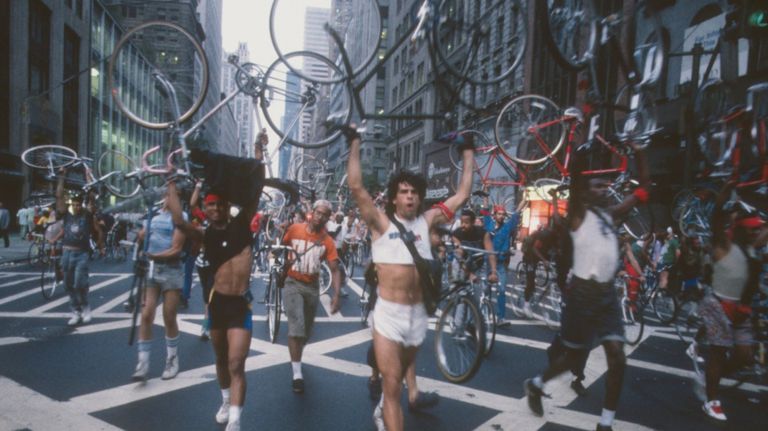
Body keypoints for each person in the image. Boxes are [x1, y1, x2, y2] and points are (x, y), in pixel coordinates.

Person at [347, 125, 475, 431]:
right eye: (403, 192)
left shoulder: (429, 220)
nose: (409, 197)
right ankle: (386, 412)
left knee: (400, 378)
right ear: (393, 199)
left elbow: (463, 194)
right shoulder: (379, 222)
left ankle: (384, 409)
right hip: (388, 316)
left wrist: (468, 152)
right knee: (393, 387)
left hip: (418, 316)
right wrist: (354, 142)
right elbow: (356, 187)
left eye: (414, 192)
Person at [524, 141, 650, 431]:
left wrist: (641, 152)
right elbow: (577, 176)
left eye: (606, 186)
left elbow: (644, 189)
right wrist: (583, 137)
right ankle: (537, 383)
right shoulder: (578, 216)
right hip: (581, 295)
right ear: (583, 192)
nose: (604, 189)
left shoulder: (611, 214)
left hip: (606, 295)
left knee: (617, 359)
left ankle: (605, 423)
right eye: (597, 186)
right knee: (572, 358)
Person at [169, 131, 268, 431]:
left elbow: (256, 185)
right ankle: (225, 399)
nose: (214, 209)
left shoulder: (242, 224)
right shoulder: (204, 234)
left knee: (238, 364)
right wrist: (170, 183)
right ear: (206, 210)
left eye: (218, 205)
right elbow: (179, 222)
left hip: (241, 305)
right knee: (222, 361)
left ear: (226, 206)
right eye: (209, 206)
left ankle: (235, 419)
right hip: (217, 304)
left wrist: (257, 149)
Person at [695, 181, 767, 421]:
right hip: (717, 306)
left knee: (745, 357)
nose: (757, 233)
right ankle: (712, 400)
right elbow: (717, 218)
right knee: (718, 351)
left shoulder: (752, 248)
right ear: (739, 229)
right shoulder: (723, 245)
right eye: (752, 229)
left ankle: (710, 379)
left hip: (741, 310)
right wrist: (725, 192)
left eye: (759, 230)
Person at [281, 199, 342, 394]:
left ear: (328, 218)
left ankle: (297, 354)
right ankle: (297, 373)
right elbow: (282, 247)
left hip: (312, 286)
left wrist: (336, 294)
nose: (321, 217)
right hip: (293, 283)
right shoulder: (295, 229)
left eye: (325, 214)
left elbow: (334, 268)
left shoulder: (327, 241)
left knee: (306, 331)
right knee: (296, 327)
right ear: (312, 212)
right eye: (318, 212)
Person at [131, 186, 188, 382]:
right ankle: (143, 363)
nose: (168, 198)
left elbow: (176, 249)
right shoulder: (153, 214)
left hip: (171, 270)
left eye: (173, 196)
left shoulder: (182, 218)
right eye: (167, 195)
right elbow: (143, 235)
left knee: (169, 316)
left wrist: (154, 255)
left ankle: (172, 360)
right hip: (151, 269)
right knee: (146, 315)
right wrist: (141, 238)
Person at [55, 174, 104, 326]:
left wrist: (89, 178)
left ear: (81, 205)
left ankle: (85, 307)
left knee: (79, 283)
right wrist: (62, 176)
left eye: (78, 204)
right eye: (73, 204)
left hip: (81, 253)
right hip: (67, 253)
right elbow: (59, 194)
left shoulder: (87, 215)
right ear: (70, 205)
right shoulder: (66, 215)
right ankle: (75, 311)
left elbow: (92, 198)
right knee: (68, 284)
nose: (76, 207)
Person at [481, 199, 525, 325]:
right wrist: (485, 192)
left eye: (503, 214)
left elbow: (517, 212)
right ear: (494, 215)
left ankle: (501, 318)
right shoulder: (488, 224)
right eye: (499, 213)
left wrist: (525, 197)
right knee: (486, 290)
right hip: (487, 262)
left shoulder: (508, 226)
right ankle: (485, 314)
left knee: (502, 290)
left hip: (500, 264)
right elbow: (485, 208)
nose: (501, 216)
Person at [452, 209, 498, 284]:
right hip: (464, 264)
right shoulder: (456, 234)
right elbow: (459, 255)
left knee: (484, 288)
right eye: (461, 222)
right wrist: (469, 274)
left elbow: (490, 252)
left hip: (479, 263)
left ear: (473, 222)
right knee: (458, 283)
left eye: (466, 223)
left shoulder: (483, 233)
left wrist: (493, 272)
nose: (463, 225)